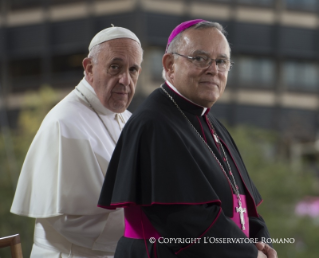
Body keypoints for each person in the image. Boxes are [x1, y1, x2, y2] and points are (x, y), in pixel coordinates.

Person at [98, 20, 278, 258]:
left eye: (221, 61)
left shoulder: (213, 125)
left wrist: (261, 244)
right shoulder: (153, 124)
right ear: (170, 64)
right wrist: (249, 254)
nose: (213, 69)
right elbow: (185, 220)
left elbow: (245, 205)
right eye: (200, 58)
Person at [11, 25, 143, 258]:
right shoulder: (64, 123)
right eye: (115, 67)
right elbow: (69, 221)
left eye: (133, 70)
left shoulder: (128, 119)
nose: (125, 80)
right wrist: (149, 219)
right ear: (89, 68)